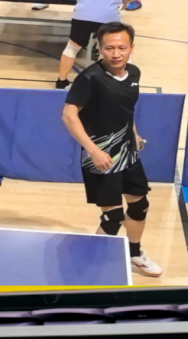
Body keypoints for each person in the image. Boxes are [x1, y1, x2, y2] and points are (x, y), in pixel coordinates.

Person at [62, 23, 161, 278]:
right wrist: (93, 150)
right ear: (100, 48)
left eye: (121, 48)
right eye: (109, 48)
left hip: (127, 152)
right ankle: (89, 269)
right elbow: (69, 115)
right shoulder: (90, 78)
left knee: (140, 205)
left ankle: (134, 254)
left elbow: (126, 110)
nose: (116, 54)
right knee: (113, 217)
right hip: (101, 156)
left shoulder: (134, 73)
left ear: (131, 48)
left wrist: (134, 133)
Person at [55, 1, 124, 89]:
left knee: (72, 48)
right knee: (114, 49)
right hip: (108, 16)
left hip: (82, 15)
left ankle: (61, 82)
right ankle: (119, 83)